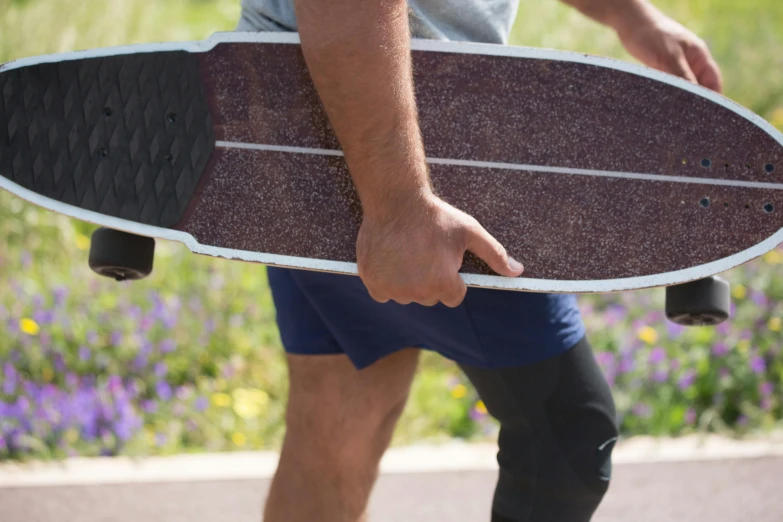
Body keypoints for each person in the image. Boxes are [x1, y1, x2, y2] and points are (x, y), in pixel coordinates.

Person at [235, 1, 723, 521]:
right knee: (563, 440)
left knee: (335, 434)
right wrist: (398, 204)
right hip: (399, 125)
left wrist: (629, 15)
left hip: (297, 105)